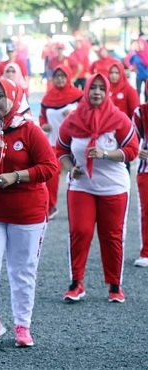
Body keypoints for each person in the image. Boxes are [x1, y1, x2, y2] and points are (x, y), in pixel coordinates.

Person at [0, 77, 57, 347]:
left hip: (27, 213)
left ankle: (22, 326)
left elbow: (49, 167)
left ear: (14, 97)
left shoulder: (30, 131)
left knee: (22, 270)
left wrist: (16, 176)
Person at [57, 73, 138, 303]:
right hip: (81, 184)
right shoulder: (73, 120)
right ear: (87, 90)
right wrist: (71, 168)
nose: (97, 93)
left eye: (102, 89)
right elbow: (61, 150)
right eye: (94, 88)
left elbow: (132, 150)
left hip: (113, 187)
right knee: (80, 232)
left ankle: (114, 285)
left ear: (107, 92)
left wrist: (105, 154)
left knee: (111, 235)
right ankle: (76, 283)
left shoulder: (119, 119)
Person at [39, 65, 83, 220]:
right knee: (52, 174)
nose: (59, 79)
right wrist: (44, 124)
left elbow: (88, 113)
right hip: (54, 142)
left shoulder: (78, 95)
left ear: (69, 77)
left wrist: (74, 112)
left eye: (63, 76)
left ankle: (83, 207)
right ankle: (50, 206)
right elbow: (42, 116)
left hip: (76, 142)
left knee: (79, 174)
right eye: (57, 76)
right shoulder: (47, 97)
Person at [133, 103, 148, 267]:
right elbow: (131, 139)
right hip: (146, 169)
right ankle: (146, 252)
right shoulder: (140, 112)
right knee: (146, 211)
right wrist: (137, 150)